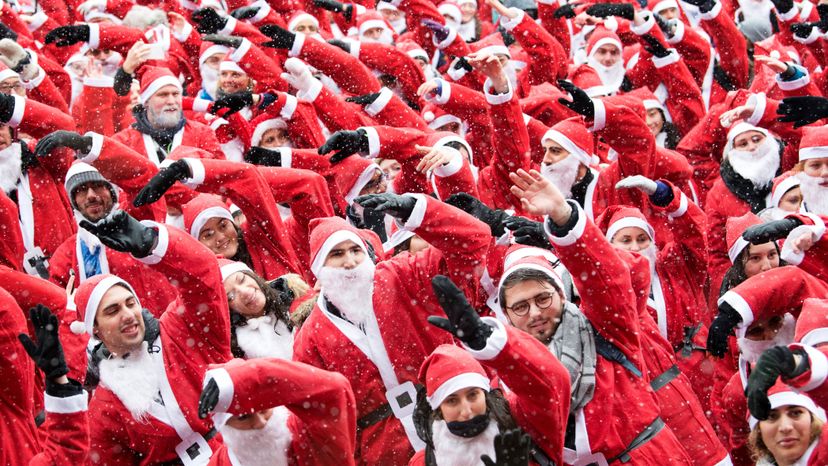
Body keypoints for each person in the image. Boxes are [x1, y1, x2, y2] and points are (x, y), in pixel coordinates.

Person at [500, 168, 694, 464]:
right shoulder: (509, 370)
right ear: (507, 315)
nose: (535, 313)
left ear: (563, 295)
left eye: (543, 298)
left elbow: (610, 278)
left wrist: (564, 218)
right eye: (521, 306)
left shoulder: (606, 328)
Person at [293, 192, 489, 465]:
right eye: (337, 254)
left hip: (450, 417)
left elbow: (474, 240)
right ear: (319, 268)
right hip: (386, 451)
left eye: (356, 250)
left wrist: (418, 212)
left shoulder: (404, 275)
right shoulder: (310, 338)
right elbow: (322, 420)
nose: (350, 262)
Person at [70, 210, 231, 464]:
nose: (127, 315)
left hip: (239, 453)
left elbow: (204, 275)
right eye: (112, 311)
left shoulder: (180, 331)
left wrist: (152, 243)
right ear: (96, 330)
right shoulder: (104, 405)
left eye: (130, 304)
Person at [410, 275, 570, 465]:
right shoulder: (424, 461)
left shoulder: (520, 423)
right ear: (437, 408)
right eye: (452, 401)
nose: (467, 411)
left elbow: (551, 382)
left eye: (473, 395)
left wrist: (491, 343)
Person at [197, 357, 358, 465]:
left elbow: (336, 389)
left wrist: (249, 376)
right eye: (244, 418)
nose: (261, 423)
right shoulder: (221, 463)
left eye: (264, 409)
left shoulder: (305, 435)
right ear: (225, 426)